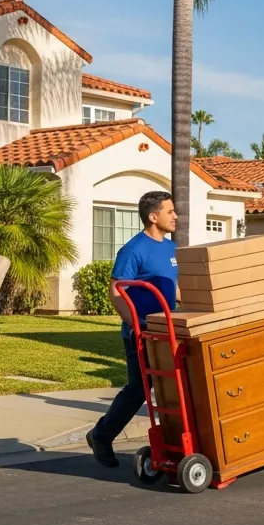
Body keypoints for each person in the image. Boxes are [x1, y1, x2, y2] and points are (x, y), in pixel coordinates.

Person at [84, 190, 178, 468]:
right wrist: (134, 324)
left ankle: (176, 443)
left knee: (175, 388)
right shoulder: (133, 250)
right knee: (139, 390)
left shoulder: (171, 248)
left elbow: (177, 286)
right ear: (153, 216)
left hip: (167, 332)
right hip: (141, 334)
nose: (175, 216)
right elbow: (116, 291)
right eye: (170, 211)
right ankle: (101, 435)